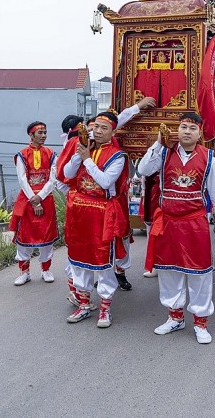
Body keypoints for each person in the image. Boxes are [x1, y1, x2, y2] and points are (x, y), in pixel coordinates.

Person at [137, 112, 215, 344]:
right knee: (169, 271)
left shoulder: (210, 158)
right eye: (183, 127)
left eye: (192, 128)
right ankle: (175, 317)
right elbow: (143, 169)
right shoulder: (164, 153)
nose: (186, 132)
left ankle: (200, 322)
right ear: (176, 130)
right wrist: (158, 143)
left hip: (194, 223)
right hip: (168, 221)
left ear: (200, 134)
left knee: (199, 273)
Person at [60, 111, 130, 328]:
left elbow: (105, 181)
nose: (97, 131)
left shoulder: (118, 156)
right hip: (79, 212)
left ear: (113, 132)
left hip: (101, 214)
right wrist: (77, 155)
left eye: (103, 128)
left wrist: (87, 160)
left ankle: (105, 309)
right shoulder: (83, 147)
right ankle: (83, 304)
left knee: (103, 262)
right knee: (78, 260)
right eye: (95, 127)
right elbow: (67, 173)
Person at [10, 121, 58, 286]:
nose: (44, 135)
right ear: (31, 135)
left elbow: (53, 178)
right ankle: (24, 272)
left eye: (45, 132)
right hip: (27, 199)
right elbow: (22, 179)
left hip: (46, 199)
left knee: (46, 235)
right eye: (40, 133)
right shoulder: (22, 154)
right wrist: (34, 200)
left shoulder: (51, 153)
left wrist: (41, 197)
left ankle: (46, 270)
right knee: (24, 235)